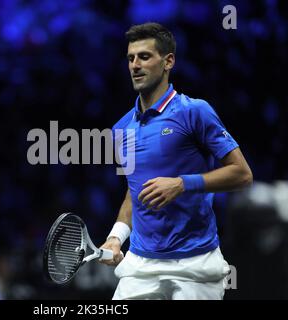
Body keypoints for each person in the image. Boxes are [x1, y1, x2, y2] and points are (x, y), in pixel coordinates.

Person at [100, 22, 253, 300]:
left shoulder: (195, 111)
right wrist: (115, 237)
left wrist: (182, 184)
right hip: (140, 266)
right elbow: (133, 192)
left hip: (195, 263)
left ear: (168, 61)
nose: (135, 65)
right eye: (131, 58)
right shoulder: (121, 129)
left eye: (144, 56)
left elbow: (242, 174)